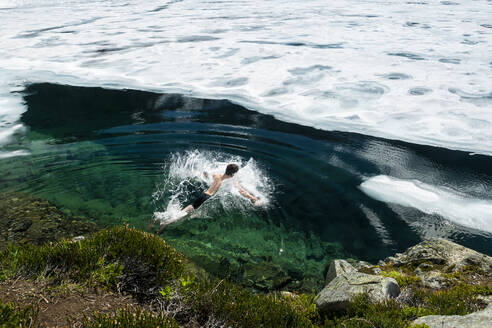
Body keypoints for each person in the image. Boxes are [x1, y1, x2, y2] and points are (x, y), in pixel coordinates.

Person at [148, 163, 260, 232]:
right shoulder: (231, 180)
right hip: (207, 198)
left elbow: (206, 174)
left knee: (185, 210)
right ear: (233, 173)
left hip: (202, 194)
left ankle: (157, 218)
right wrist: (252, 198)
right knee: (183, 214)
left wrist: (205, 174)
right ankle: (165, 223)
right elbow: (241, 191)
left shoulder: (217, 175)